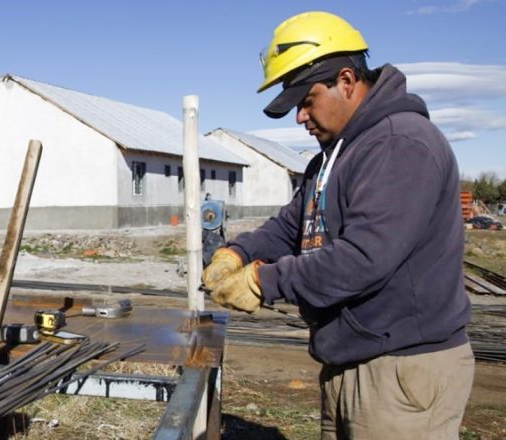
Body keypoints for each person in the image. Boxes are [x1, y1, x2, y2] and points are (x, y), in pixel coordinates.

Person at [203, 11, 474, 439]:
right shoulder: (332, 158)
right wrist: (239, 251)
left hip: (401, 369)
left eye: (306, 101)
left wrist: (262, 281)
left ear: (346, 80)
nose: (300, 117)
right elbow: (291, 226)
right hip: (352, 361)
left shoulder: (400, 144)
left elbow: (364, 258)